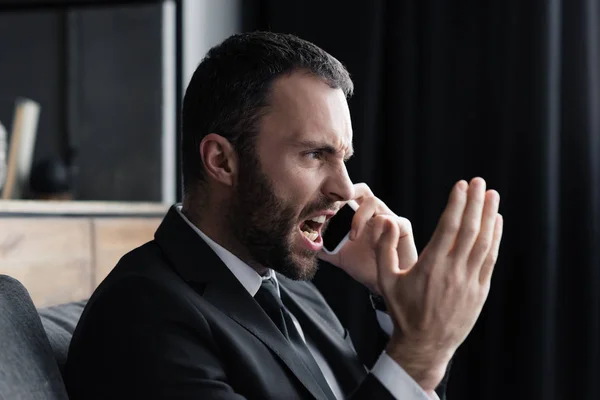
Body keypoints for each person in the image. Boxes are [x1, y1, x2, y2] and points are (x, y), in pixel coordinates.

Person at [64, 31, 503, 400]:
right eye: (315, 154)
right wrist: (419, 353)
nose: (346, 188)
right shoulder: (140, 314)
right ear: (222, 161)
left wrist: (400, 306)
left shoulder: (293, 289)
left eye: (344, 157)